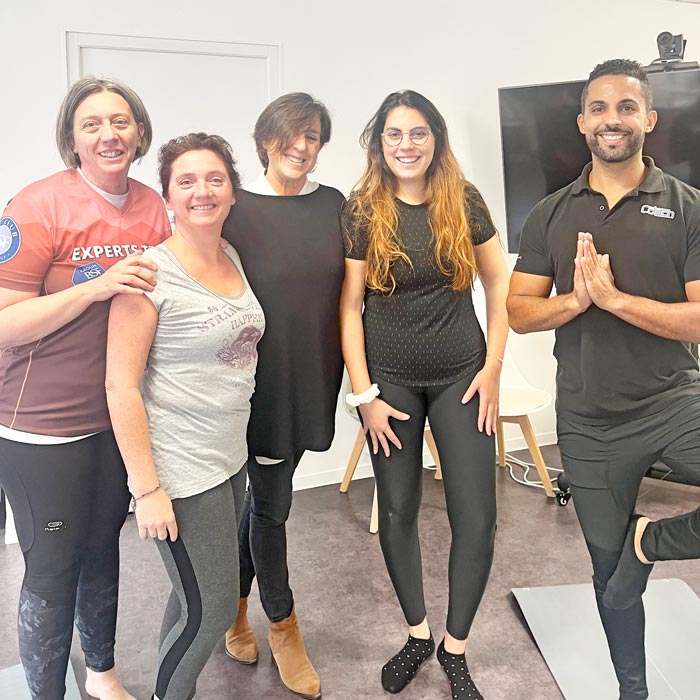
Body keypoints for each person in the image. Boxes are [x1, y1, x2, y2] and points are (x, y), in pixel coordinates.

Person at [507, 58, 700, 700]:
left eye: (625, 107)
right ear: (583, 121)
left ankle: (653, 540)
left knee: (629, 554)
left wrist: (618, 301)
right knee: (608, 573)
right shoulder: (550, 214)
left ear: (648, 117)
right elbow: (518, 310)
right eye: (599, 108)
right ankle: (633, 691)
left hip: (675, 402)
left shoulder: (689, 208)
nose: (611, 119)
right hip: (589, 421)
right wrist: (576, 302)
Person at [0, 76, 171, 700]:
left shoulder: (154, 206)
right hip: (41, 424)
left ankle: (100, 674)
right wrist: (94, 287)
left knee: (103, 552)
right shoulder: (36, 205)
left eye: (121, 121)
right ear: (71, 138)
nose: (109, 134)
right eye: (92, 123)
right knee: (51, 569)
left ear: (140, 132)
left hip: (119, 417)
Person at [340, 90, 509, 699]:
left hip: (463, 375)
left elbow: (498, 286)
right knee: (398, 509)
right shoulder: (364, 209)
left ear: (436, 138)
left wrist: (492, 368)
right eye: (393, 135)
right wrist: (364, 395)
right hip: (391, 386)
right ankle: (416, 633)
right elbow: (349, 305)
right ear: (379, 143)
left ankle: (454, 646)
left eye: (417, 133)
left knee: (478, 518)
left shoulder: (463, 200)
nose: (405, 145)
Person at [105, 132, 264, 700]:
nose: (203, 191)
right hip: (178, 468)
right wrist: (146, 489)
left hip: (227, 458)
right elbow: (120, 384)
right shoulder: (149, 274)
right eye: (187, 181)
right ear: (168, 196)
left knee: (189, 596)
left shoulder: (233, 257)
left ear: (232, 191)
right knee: (214, 609)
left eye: (215, 178)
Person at [221, 93, 344, 699]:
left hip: (315, 373)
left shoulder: (334, 206)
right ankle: (283, 624)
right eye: (290, 135)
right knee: (271, 507)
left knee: (264, 497)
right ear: (265, 137)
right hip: (257, 383)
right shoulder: (234, 210)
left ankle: (232, 606)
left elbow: (352, 292)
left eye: (313, 137)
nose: (301, 147)